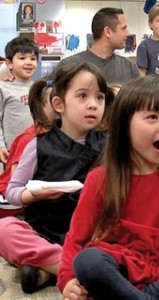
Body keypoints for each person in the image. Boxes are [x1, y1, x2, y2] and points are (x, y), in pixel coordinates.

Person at [58, 76, 159, 300]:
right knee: (88, 261)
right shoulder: (101, 178)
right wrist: (67, 279)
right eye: (152, 117)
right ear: (124, 125)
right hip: (121, 266)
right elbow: (77, 238)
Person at [0, 61, 108, 294]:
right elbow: (12, 192)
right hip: (44, 232)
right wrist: (33, 194)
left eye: (99, 98)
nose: (93, 105)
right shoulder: (37, 145)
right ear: (59, 104)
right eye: (82, 96)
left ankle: (44, 271)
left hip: (92, 234)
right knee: (5, 229)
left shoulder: (109, 145)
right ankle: (70, 268)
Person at [0, 79, 59, 215]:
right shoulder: (30, 139)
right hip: (15, 208)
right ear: (41, 105)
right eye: (54, 102)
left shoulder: (59, 134)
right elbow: (15, 181)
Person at [49, 7, 140, 84]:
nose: (128, 34)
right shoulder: (69, 66)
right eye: (123, 29)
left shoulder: (130, 69)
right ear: (108, 32)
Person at [0, 36, 39, 164]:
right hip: (13, 151)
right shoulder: (3, 88)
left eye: (33, 58)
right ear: (9, 63)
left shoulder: (39, 89)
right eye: (22, 58)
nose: (29, 62)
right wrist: (1, 146)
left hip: (38, 148)